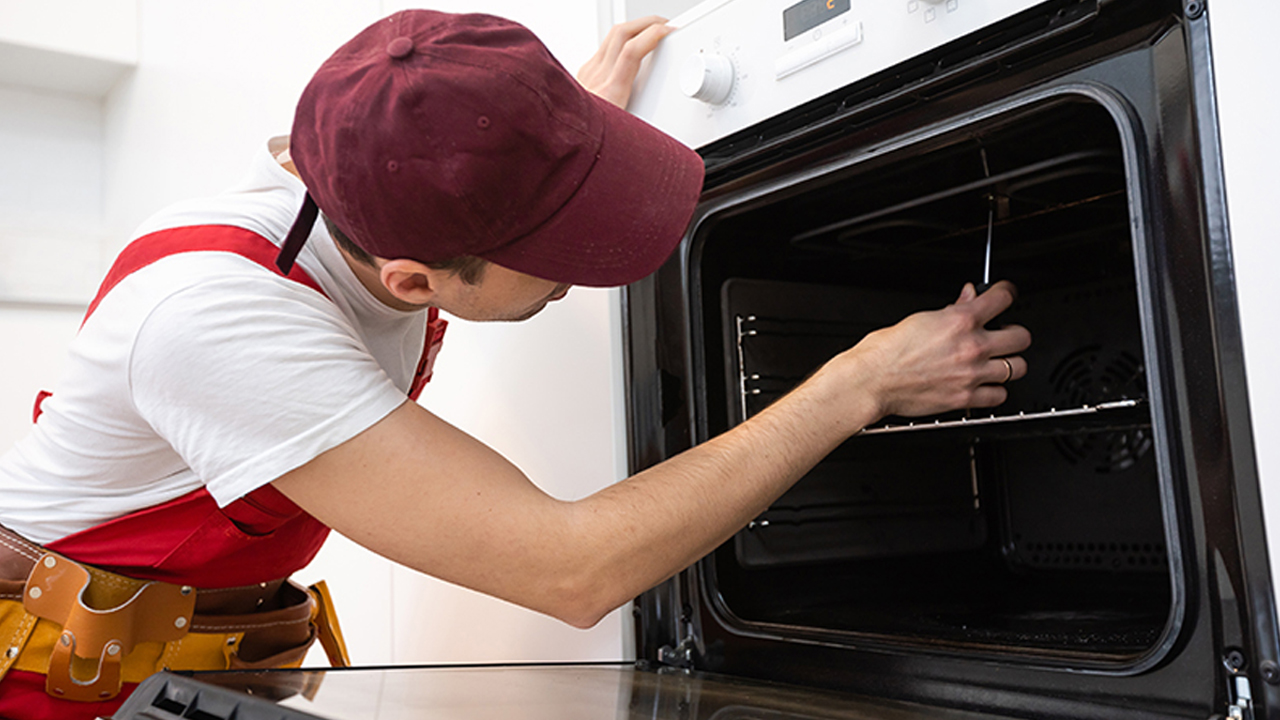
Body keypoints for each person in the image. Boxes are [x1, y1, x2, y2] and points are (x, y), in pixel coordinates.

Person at [0, 9, 1029, 717]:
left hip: (211, 652)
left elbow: (443, 143)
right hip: (57, 685)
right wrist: (859, 384)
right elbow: (569, 567)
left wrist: (552, 139)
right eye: (556, 262)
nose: (579, 282)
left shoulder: (364, 178)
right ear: (412, 281)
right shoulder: (219, 321)